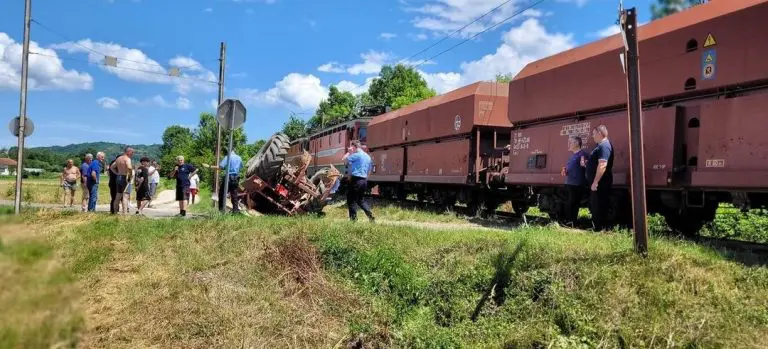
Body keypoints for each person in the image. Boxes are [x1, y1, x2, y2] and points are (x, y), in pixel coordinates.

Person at [586, 125, 614, 231]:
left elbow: (602, 164)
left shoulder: (604, 145)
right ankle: (598, 227)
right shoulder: (601, 145)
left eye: (593, 134)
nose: (592, 136)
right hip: (599, 182)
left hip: (601, 182)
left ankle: (599, 228)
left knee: (599, 204)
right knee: (596, 203)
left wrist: (595, 182)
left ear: (599, 133)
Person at [341, 140, 375, 222]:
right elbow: (370, 170)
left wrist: (349, 152)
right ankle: (370, 216)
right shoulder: (368, 156)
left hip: (356, 179)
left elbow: (343, 160)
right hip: (364, 180)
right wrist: (365, 179)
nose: (350, 148)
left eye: (351, 147)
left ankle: (353, 220)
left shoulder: (357, 155)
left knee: (351, 199)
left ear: (354, 147)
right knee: (360, 200)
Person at [203, 148, 242, 213]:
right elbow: (240, 167)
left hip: (228, 177)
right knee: (234, 194)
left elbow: (220, 167)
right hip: (236, 178)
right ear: (234, 150)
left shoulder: (227, 157)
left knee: (222, 194)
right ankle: (235, 211)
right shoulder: (239, 158)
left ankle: (221, 211)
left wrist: (209, 166)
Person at [561, 136, 588, 226]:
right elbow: (568, 169)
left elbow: (586, 166)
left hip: (577, 183)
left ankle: (570, 221)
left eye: (571, 142)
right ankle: (571, 221)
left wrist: (584, 164)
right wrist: (564, 171)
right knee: (572, 202)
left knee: (573, 203)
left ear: (577, 143)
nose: (569, 144)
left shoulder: (582, 154)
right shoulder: (572, 156)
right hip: (569, 182)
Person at [110, 147, 134, 215]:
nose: (133, 154)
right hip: (125, 177)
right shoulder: (127, 159)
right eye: (132, 152)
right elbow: (129, 167)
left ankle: (115, 212)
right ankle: (125, 213)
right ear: (128, 152)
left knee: (118, 196)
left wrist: (117, 173)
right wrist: (130, 175)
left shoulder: (118, 158)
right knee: (125, 196)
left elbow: (112, 167)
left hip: (119, 177)